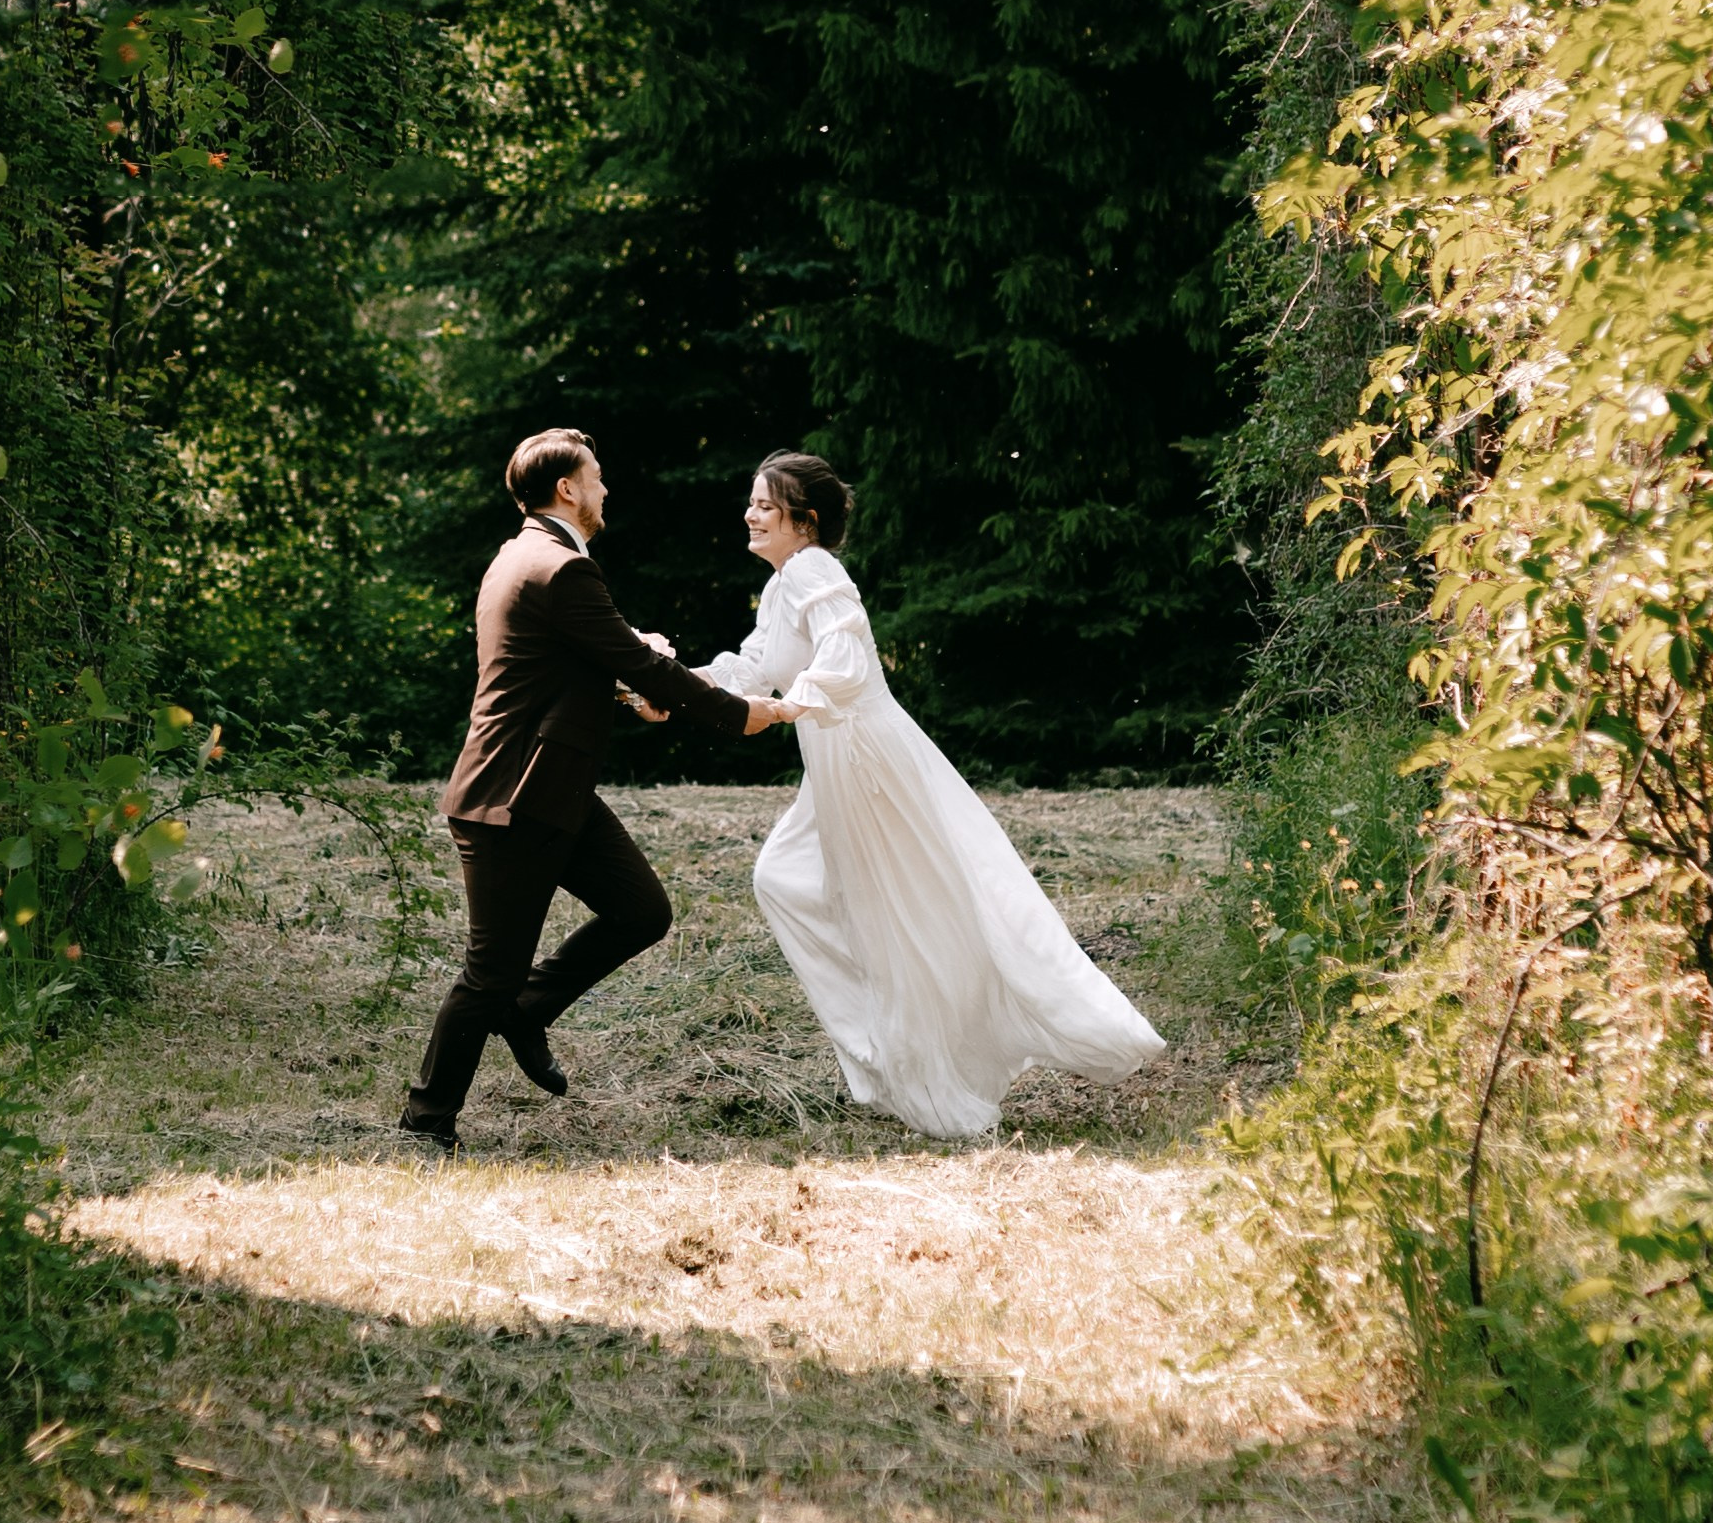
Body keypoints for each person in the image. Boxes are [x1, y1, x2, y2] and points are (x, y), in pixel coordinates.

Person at [693, 451, 1164, 1140]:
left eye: (765, 505)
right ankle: (894, 1049)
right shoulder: (784, 582)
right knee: (790, 881)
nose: (750, 514)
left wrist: (791, 707)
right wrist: (672, 683)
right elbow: (751, 667)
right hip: (834, 753)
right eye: (754, 501)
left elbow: (845, 656)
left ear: (805, 521)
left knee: (902, 910)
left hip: (863, 753)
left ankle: (927, 1071)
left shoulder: (814, 569)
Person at [399, 427, 776, 1156]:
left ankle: (530, 1009)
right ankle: (426, 1120)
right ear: (568, 487)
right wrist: (735, 713)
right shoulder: (559, 567)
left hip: (554, 789)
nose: (605, 489)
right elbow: (632, 655)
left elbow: (564, 672)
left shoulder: (525, 556)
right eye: (596, 476)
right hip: (513, 798)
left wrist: (632, 697)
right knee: (488, 972)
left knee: (642, 909)